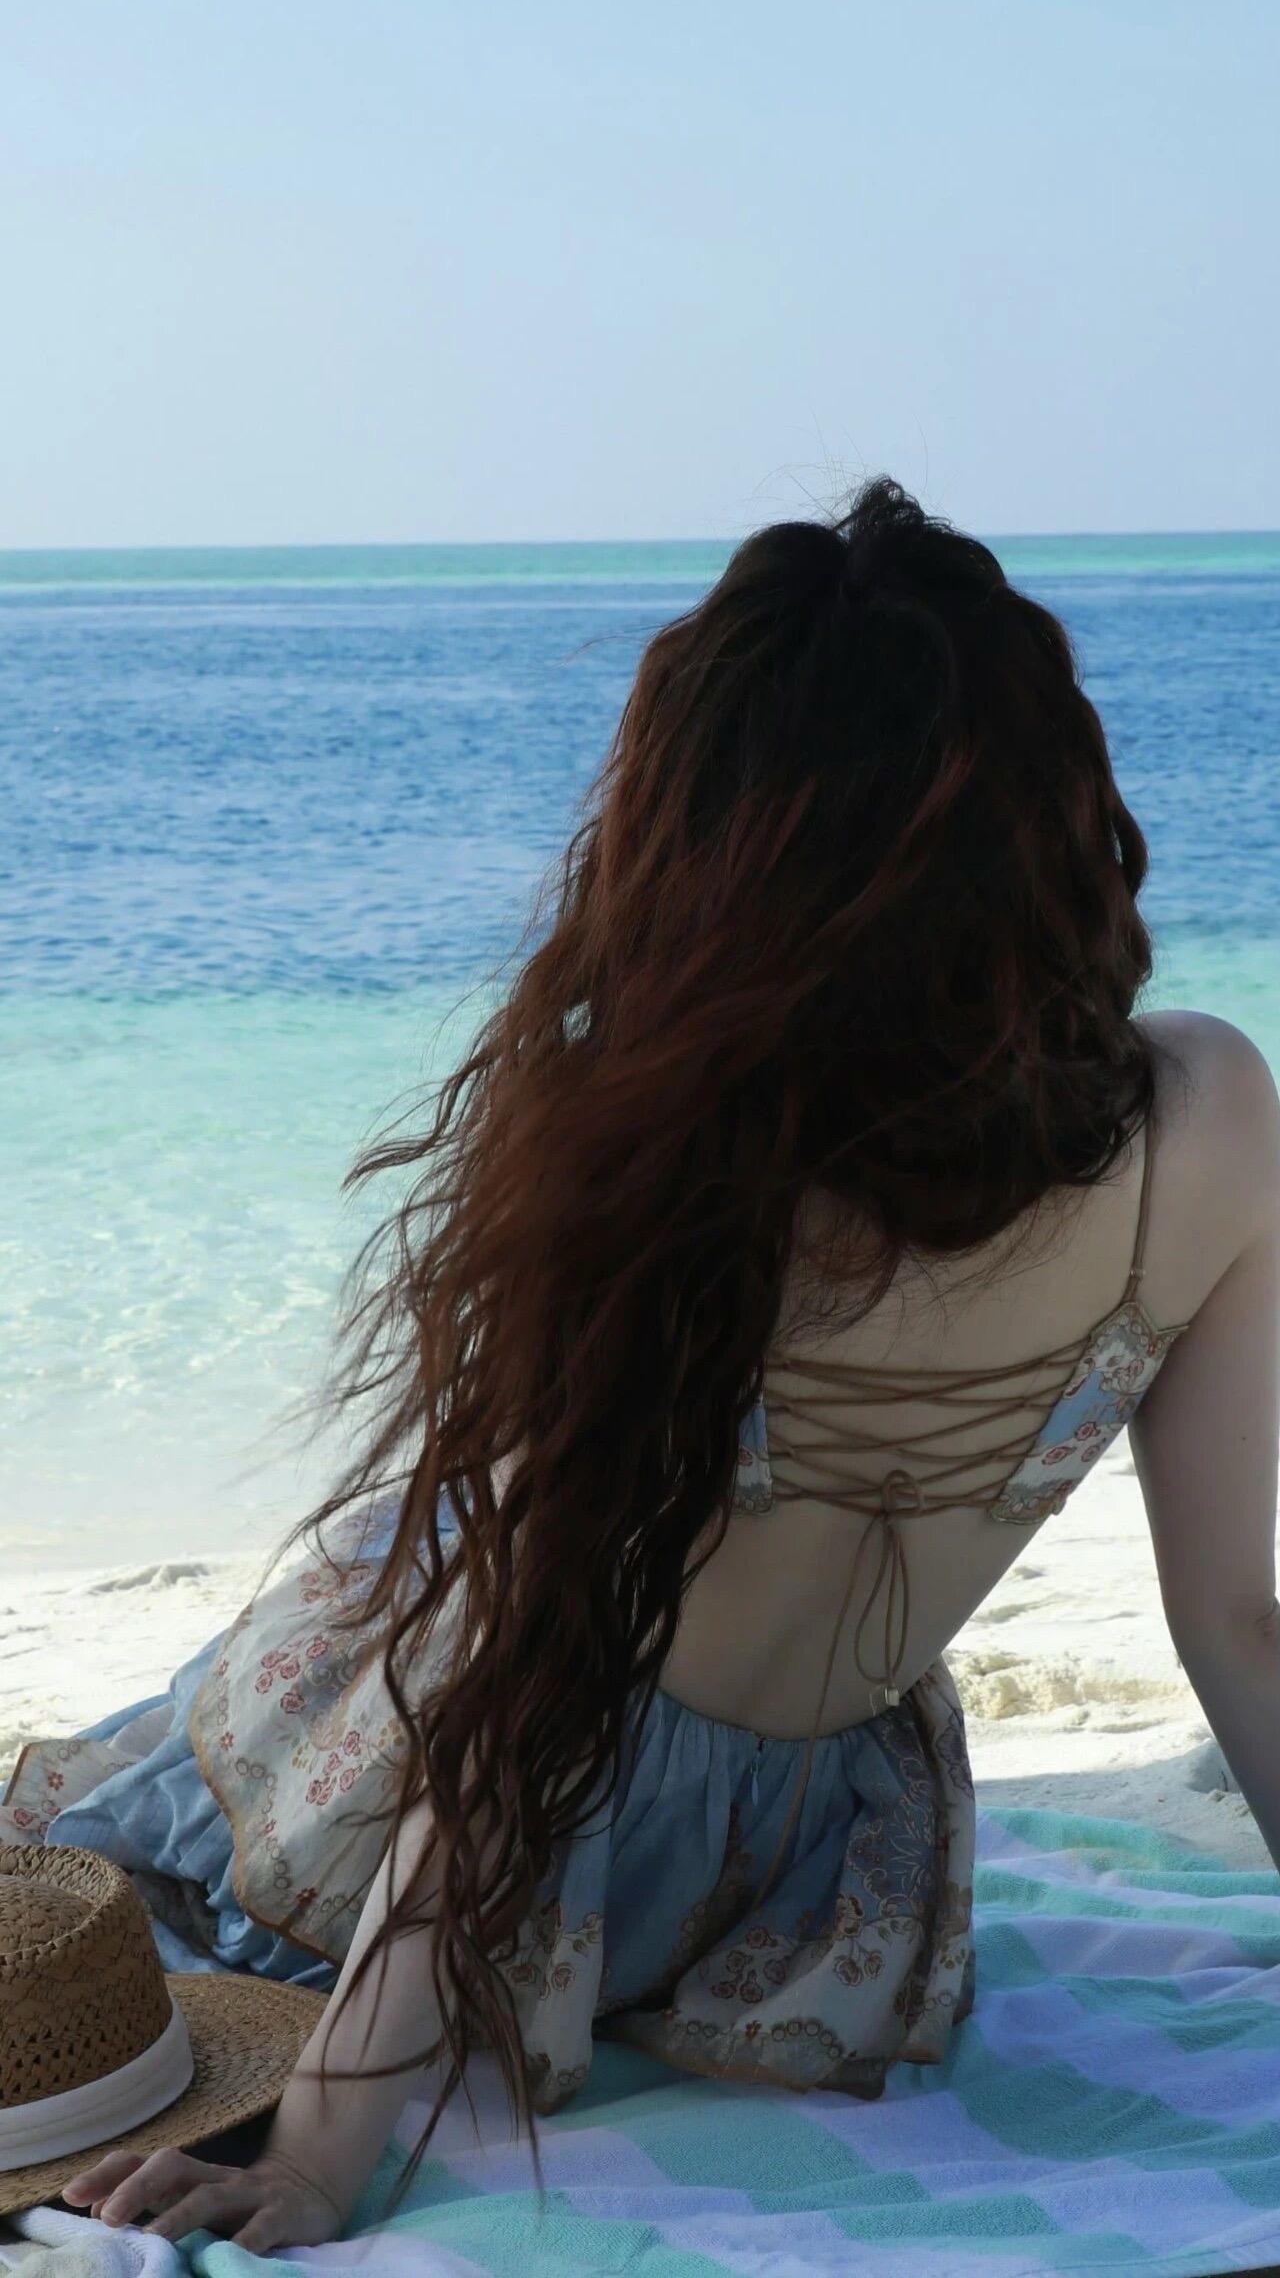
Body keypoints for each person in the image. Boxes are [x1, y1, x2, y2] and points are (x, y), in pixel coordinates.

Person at [6, 475, 1279, 2258]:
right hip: (817, 1895)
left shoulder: (674, 1147)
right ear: (1058, 815)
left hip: (498, 1822)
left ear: (705, 845)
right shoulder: (1209, 1114)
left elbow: (516, 1677)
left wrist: (322, 2153)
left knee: (123, 1840)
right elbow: (1234, 1620)